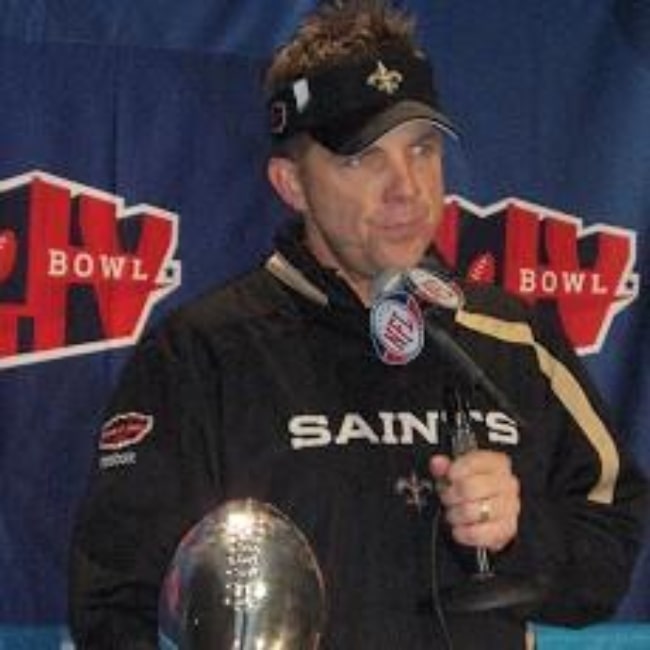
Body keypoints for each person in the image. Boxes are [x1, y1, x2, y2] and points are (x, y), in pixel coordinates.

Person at [69, 1, 647, 648]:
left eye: (422, 149)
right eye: (362, 159)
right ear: (291, 184)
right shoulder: (202, 356)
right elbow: (114, 604)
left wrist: (520, 534)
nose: (406, 188)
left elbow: (610, 552)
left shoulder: (513, 338)